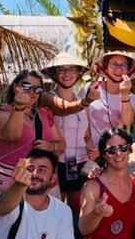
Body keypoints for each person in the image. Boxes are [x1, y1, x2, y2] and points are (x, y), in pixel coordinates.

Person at [0, 70, 66, 223]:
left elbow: (61, 144)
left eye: (37, 89)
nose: (32, 91)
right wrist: (19, 107)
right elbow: (12, 135)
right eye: (27, 86)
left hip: (46, 185)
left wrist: (52, 147)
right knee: (11, 235)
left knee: (50, 232)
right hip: (12, 187)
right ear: (16, 86)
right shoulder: (1, 114)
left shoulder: (43, 114)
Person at [41, 53, 98, 207]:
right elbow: (63, 109)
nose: (67, 74)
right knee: (55, 208)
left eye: (72, 69)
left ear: (78, 73)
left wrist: (91, 148)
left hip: (80, 162)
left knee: (76, 208)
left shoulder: (80, 100)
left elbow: (86, 134)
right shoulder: (48, 97)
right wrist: (86, 101)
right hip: (57, 162)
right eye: (61, 70)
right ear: (53, 74)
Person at [87, 51, 135, 147]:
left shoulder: (131, 97)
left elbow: (127, 121)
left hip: (115, 151)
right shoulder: (90, 89)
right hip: (90, 150)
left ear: (128, 70)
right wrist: (87, 142)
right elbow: (81, 121)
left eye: (124, 66)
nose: (119, 69)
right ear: (106, 68)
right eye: (114, 65)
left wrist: (124, 95)